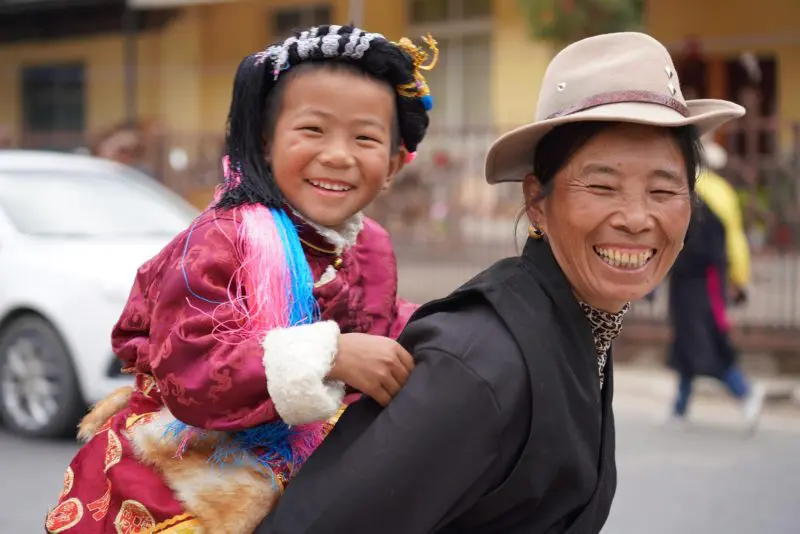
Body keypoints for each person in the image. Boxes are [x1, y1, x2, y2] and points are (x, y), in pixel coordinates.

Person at [255, 32, 745, 534]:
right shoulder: (482, 363)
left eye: (664, 189)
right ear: (537, 200)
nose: (638, 218)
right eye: (601, 185)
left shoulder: (575, 325)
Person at [45, 25, 438, 534]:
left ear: (391, 165)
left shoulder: (371, 245)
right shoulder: (221, 237)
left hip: (303, 467)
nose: (339, 155)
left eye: (365, 138)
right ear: (264, 142)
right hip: (180, 474)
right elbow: (194, 367)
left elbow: (383, 322)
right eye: (313, 130)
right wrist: (334, 355)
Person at [668, 138, 766, 431]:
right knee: (688, 342)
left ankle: (744, 393)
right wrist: (739, 279)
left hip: (695, 283)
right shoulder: (723, 194)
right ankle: (679, 408)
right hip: (703, 281)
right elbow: (735, 244)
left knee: (703, 344)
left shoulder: (692, 193)